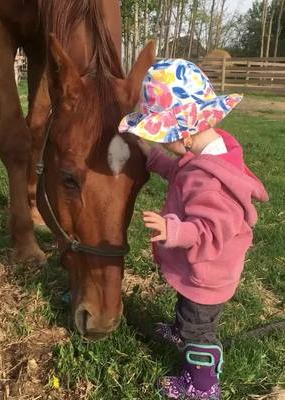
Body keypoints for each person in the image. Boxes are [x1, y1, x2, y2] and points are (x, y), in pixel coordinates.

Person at [118, 59, 269, 400]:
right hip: (205, 270)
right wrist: (154, 158)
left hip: (208, 275)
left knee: (199, 327)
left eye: (163, 139)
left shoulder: (210, 182)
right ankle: (180, 329)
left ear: (184, 137)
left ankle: (201, 384)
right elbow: (182, 173)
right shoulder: (210, 155)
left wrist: (174, 232)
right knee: (190, 311)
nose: (162, 144)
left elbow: (208, 230)